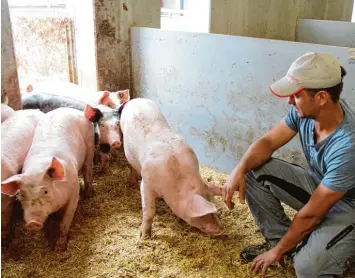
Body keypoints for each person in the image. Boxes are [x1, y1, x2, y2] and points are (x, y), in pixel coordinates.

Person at [222, 52, 355, 278]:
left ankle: (339, 250)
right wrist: (239, 168)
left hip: (348, 208)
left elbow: (311, 215)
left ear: (321, 97)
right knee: (255, 169)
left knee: (307, 269)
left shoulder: (347, 146)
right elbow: (268, 142)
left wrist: (277, 252)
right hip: (322, 188)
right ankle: (285, 244)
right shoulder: (304, 113)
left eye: (296, 95)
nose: (289, 101)